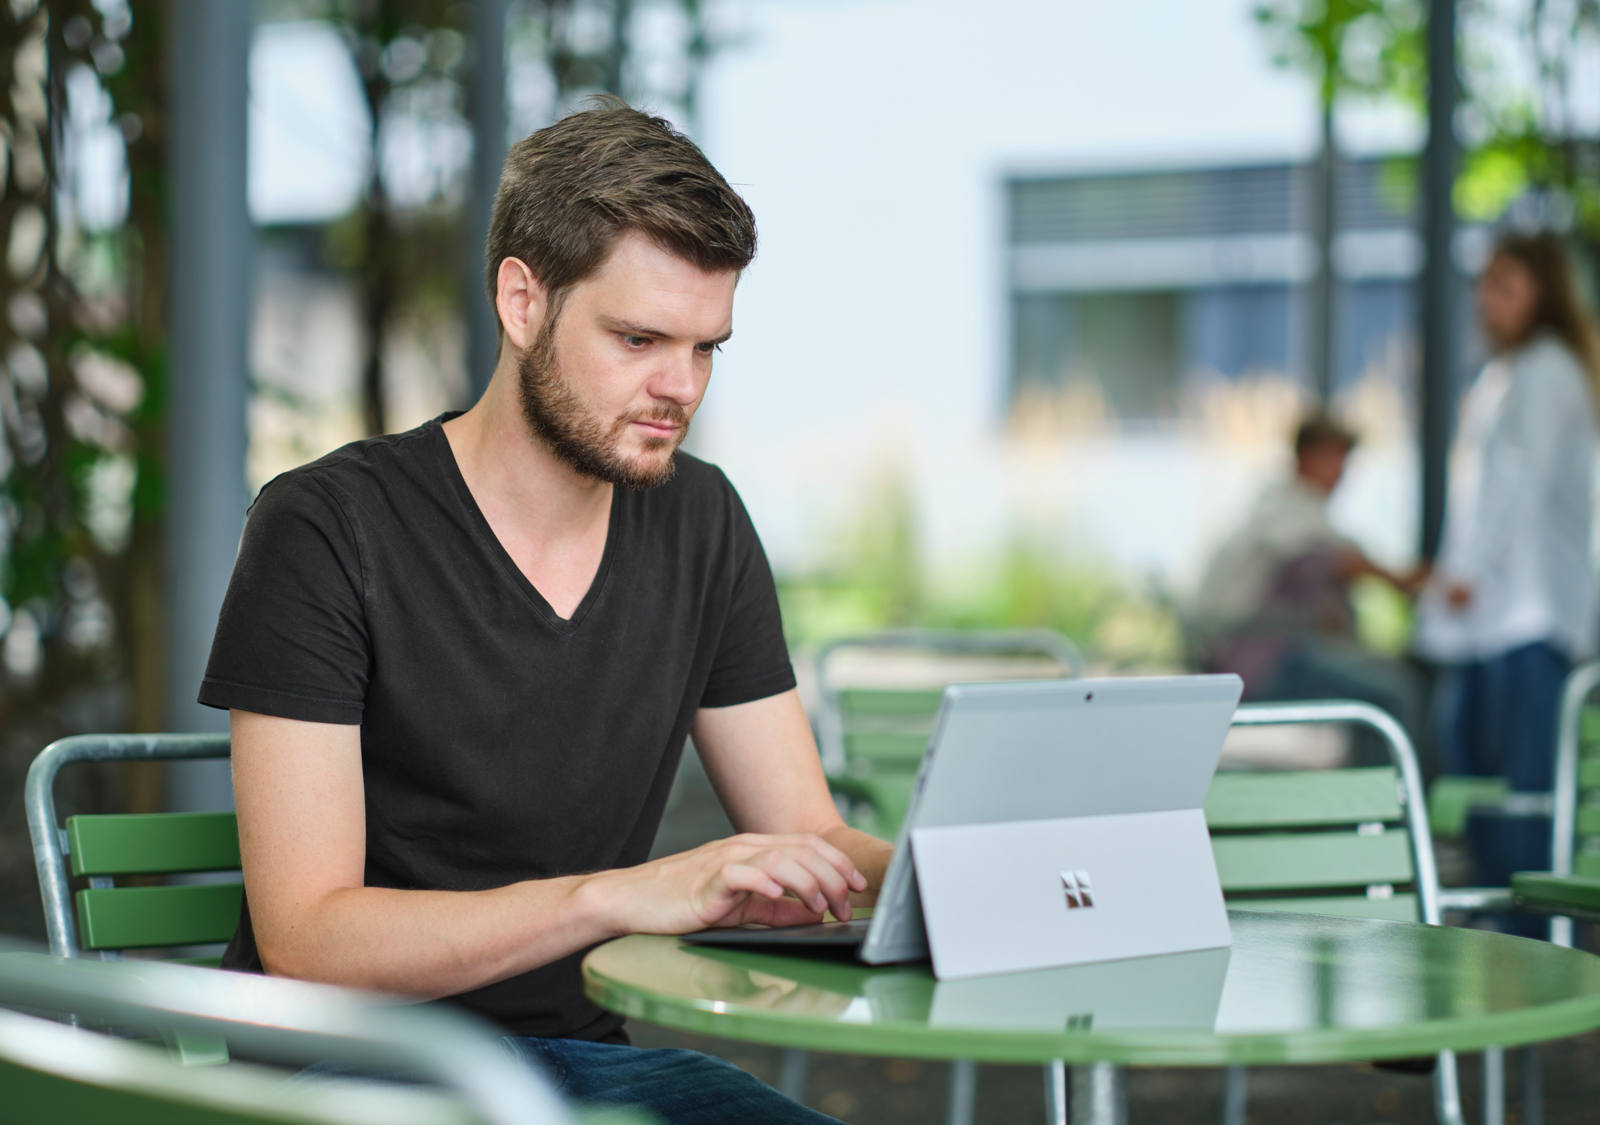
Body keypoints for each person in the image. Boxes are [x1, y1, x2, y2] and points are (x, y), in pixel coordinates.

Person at [198, 99, 892, 1125]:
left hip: (580, 1071)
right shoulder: (326, 528)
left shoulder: (703, 524)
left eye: (707, 348)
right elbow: (308, 943)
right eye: (640, 338)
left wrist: (954, 873)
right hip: (348, 1075)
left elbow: (807, 838)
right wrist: (610, 897)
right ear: (522, 303)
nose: (680, 387)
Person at [1414, 232, 1600, 905]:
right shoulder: (1508, 374)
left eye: (1506, 286)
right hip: (1494, 618)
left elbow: (1513, 491)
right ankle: (1508, 956)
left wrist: (1456, 576)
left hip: (1525, 616)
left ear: (1544, 296)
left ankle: (1532, 964)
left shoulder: (1546, 371)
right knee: (1487, 799)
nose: (1485, 300)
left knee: (1520, 805)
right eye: (1484, 284)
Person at [1192, 414, 1429, 763]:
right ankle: (1389, 808)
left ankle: (1367, 802)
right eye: (1335, 460)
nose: (1342, 473)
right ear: (1306, 456)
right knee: (1394, 693)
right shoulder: (1281, 509)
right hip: (1259, 662)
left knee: (1382, 679)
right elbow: (1338, 560)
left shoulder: (1301, 509)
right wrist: (1408, 582)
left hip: (1274, 652)